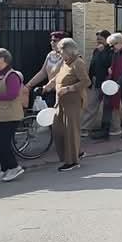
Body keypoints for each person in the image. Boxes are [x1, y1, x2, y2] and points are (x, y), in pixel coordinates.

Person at [45, 37, 90, 172]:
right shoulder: (66, 62)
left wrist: (69, 88)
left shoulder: (78, 63)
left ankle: (72, 161)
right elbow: (59, 76)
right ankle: (76, 152)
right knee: (59, 130)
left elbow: (86, 82)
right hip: (61, 102)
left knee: (70, 131)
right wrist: (49, 85)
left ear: (69, 51)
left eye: (61, 51)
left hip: (72, 102)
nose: (59, 54)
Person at [0, 48, 25, 182]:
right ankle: (4, 169)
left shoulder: (11, 75)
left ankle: (14, 167)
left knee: (3, 144)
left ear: (3, 60)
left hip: (10, 115)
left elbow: (13, 94)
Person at [93, 33, 122, 140]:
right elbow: (114, 66)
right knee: (107, 105)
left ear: (119, 43)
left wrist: (118, 83)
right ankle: (104, 130)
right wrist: (111, 70)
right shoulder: (116, 52)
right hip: (114, 84)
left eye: (113, 45)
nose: (111, 47)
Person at [81, 30, 118, 138]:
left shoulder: (111, 51)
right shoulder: (96, 50)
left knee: (110, 106)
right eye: (97, 39)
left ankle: (115, 128)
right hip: (97, 81)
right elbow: (93, 65)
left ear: (107, 39)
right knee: (92, 105)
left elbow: (109, 64)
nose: (98, 41)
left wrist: (102, 52)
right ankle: (84, 128)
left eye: (100, 39)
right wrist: (89, 79)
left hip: (108, 82)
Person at [26, 31, 67, 107]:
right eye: (51, 40)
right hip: (50, 91)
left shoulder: (66, 56)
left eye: (55, 41)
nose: (52, 43)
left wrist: (48, 86)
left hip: (62, 91)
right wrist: (29, 85)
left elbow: (62, 74)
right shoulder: (50, 55)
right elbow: (43, 72)